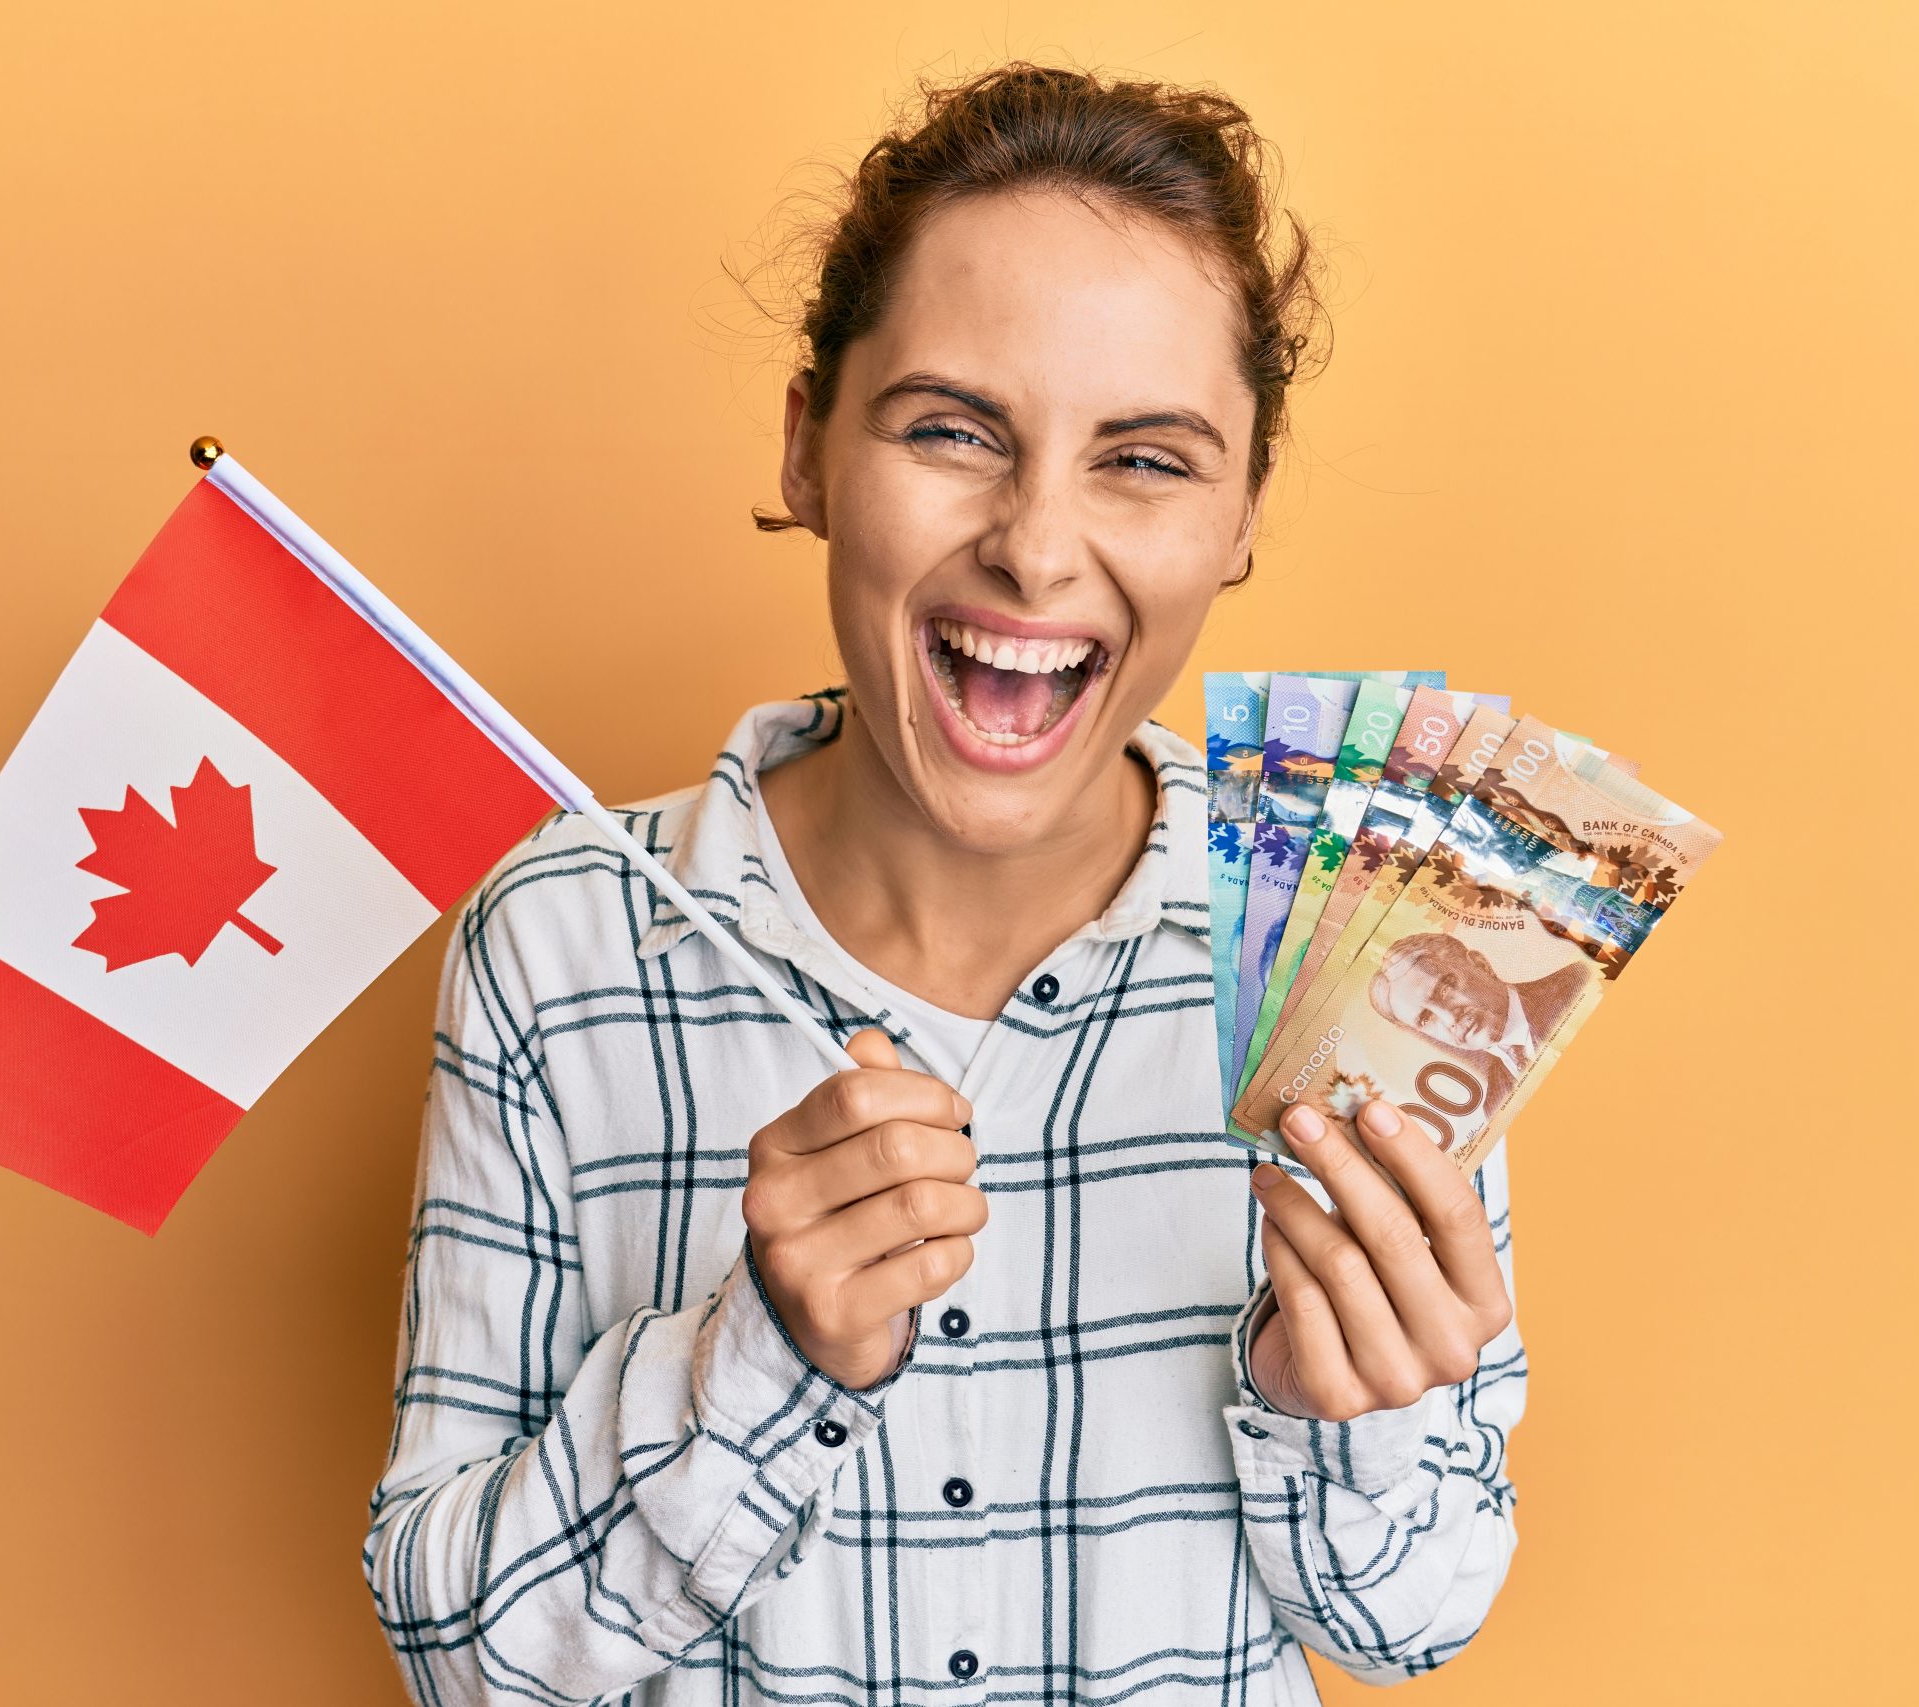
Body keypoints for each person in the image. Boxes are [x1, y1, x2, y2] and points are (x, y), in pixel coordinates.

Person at [364, 62, 1525, 1705]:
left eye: (1146, 459)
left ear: (1246, 513)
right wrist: (755, 1359)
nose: (1038, 549)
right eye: (953, 431)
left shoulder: (1360, 944)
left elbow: (1410, 1618)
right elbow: (459, 1664)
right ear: (808, 449)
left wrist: (1344, 1401)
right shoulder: (562, 936)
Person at [1369, 931, 1591, 1106]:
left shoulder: (1583, 983)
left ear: (1481, 965)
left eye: (1444, 989)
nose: (1449, 1019)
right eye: (1426, 1019)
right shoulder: (1495, 1101)